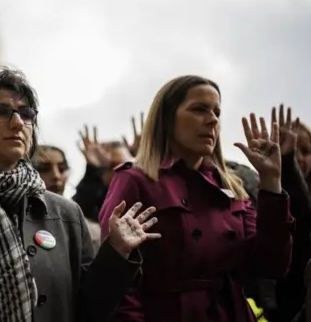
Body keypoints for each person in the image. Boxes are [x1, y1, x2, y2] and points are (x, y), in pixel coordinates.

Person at [0, 67, 161, 322]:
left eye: (26, 114)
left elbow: (89, 311)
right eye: (1, 111)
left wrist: (116, 251)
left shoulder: (65, 214)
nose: (17, 123)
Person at [99, 75, 293, 322]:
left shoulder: (232, 186)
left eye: (216, 112)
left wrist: (271, 183)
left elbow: (273, 265)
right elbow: (117, 279)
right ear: (167, 118)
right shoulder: (135, 180)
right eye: (199, 109)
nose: (213, 120)